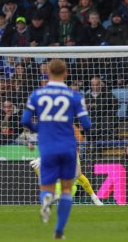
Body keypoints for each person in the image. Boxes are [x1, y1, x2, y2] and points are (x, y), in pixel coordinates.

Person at [21, 59, 92, 239]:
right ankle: (59, 231)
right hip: (68, 147)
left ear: (48, 73)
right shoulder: (74, 96)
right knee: (67, 189)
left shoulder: (37, 95)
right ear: (66, 74)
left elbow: (25, 121)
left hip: (48, 147)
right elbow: (87, 124)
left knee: (47, 186)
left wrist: (41, 128)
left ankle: (46, 198)